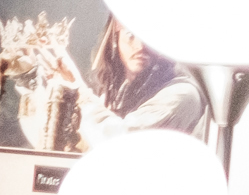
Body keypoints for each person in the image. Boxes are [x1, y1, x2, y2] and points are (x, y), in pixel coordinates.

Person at [72, 15, 207, 141]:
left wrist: (80, 93)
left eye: (149, 38)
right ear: (116, 35)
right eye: (131, 35)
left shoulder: (182, 94)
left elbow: (120, 141)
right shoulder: (117, 92)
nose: (140, 46)